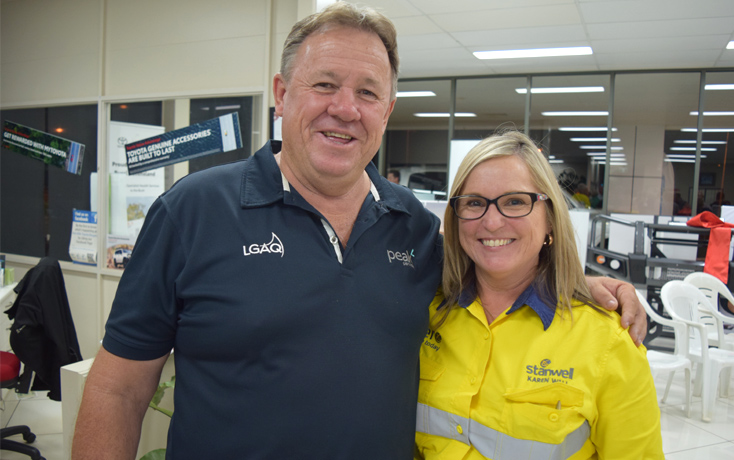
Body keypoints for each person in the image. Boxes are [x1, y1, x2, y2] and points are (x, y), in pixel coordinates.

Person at [72, 3, 646, 459]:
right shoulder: (193, 211)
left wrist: (580, 284)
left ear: (386, 111)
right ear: (282, 94)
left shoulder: (416, 229)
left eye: (368, 92)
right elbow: (118, 388)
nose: (345, 109)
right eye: (325, 84)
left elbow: (495, 262)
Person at [415, 131, 663, 459]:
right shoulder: (424, 310)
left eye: (515, 202)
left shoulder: (609, 342)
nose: (492, 222)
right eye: (474, 203)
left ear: (550, 219)